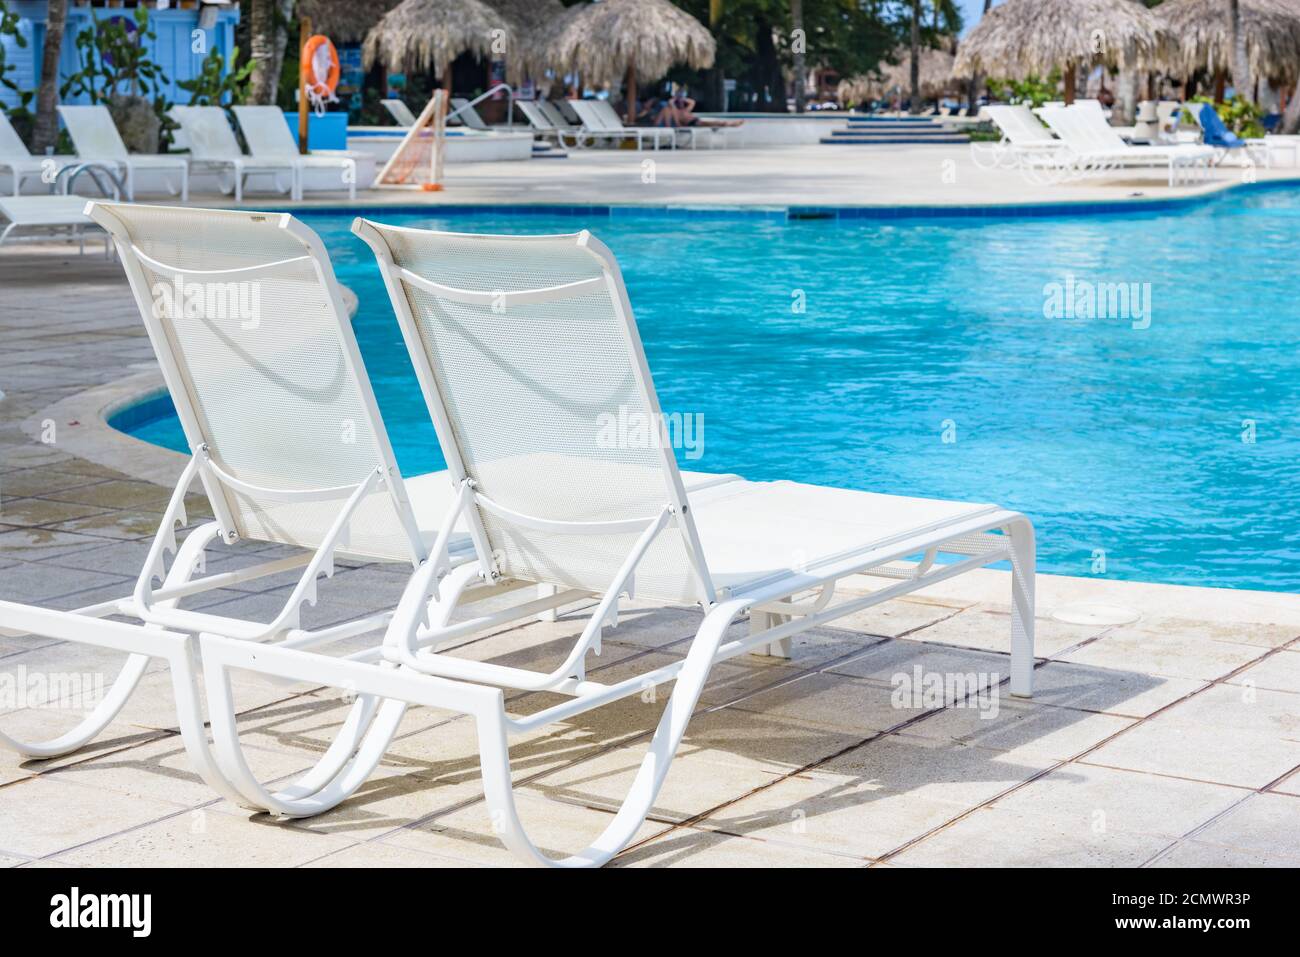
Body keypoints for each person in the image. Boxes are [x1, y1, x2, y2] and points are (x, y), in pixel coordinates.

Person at [655, 88, 743, 128]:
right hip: (692, 123)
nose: (682, 103)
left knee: (714, 123)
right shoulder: (676, 111)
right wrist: (674, 100)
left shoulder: (684, 110)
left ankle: (729, 124)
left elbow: (692, 102)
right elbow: (671, 105)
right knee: (714, 123)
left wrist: (682, 98)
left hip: (696, 120)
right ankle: (730, 124)